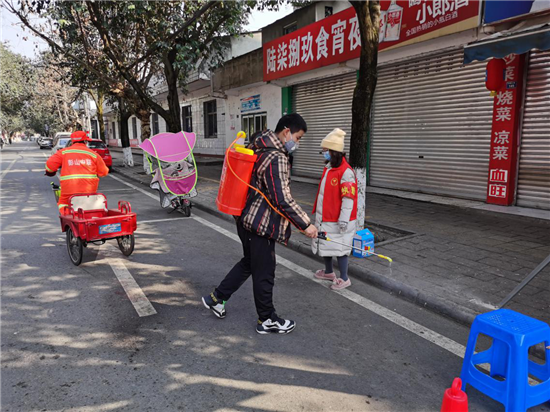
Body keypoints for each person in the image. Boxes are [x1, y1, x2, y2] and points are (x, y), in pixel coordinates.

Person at [202, 113, 318, 335]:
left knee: (250, 262)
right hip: (260, 223)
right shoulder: (277, 157)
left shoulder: (258, 145)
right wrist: (305, 224)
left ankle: (217, 298)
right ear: (286, 132)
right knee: (264, 270)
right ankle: (267, 319)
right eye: (298, 137)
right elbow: (281, 199)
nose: (298, 143)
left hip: (245, 218)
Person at [311, 128, 358, 290]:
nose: (323, 154)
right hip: (326, 216)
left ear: (334, 151)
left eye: (325, 151)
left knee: (341, 248)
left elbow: (348, 198)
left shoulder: (346, 172)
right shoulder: (330, 167)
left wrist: (344, 219)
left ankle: (344, 278)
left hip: (339, 219)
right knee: (326, 244)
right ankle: (329, 272)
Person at [45, 131, 109, 214]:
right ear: (86, 142)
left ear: (72, 141)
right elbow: (104, 172)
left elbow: (50, 165)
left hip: (69, 190)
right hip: (89, 191)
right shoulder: (93, 155)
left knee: (63, 204)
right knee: (89, 209)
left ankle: (69, 220)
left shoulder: (63, 152)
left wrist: (50, 172)